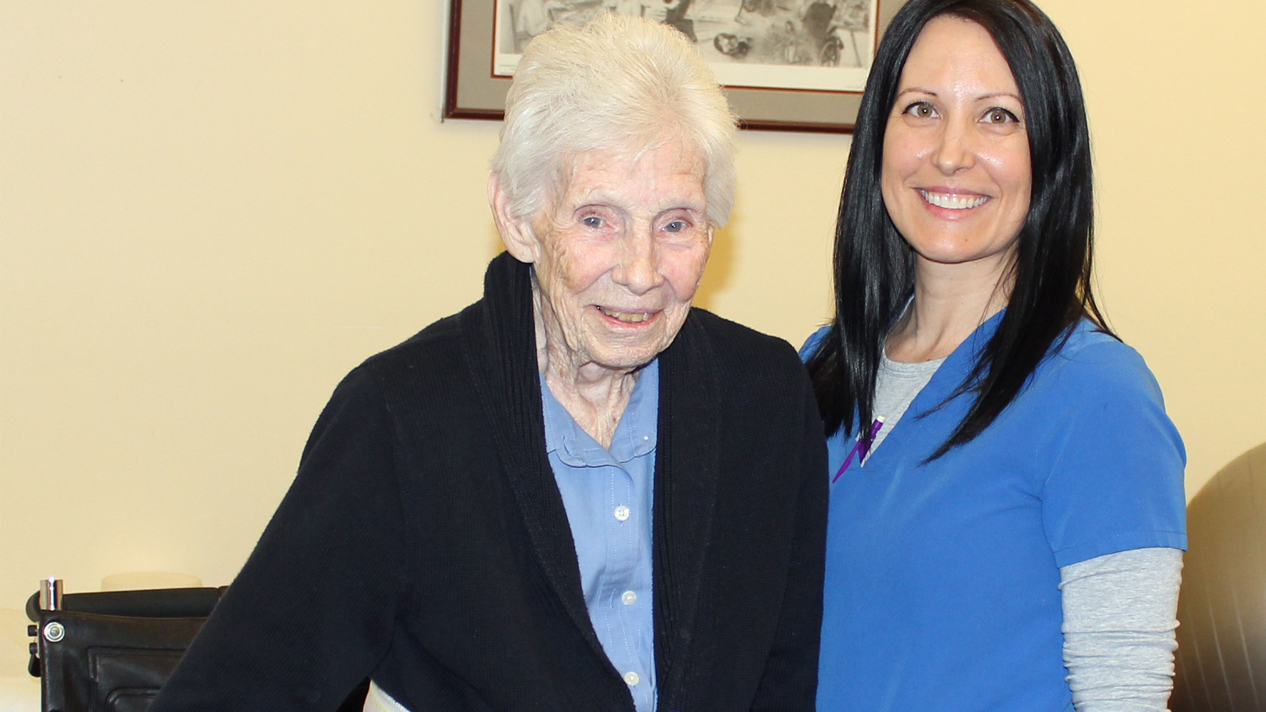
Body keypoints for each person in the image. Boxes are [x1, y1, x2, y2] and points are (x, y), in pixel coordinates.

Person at [149, 13, 827, 712]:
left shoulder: (765, 398)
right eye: (597, 218)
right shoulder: (402, 417)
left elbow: (786, 676)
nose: (641, 270)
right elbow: (239, 690)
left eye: (676, 224)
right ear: (517, 217)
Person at [801, 1, 1186, 710]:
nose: (951, 152)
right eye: (920, 108)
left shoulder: (1097, 393)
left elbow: (1123, 690)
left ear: (1052, 150)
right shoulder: (821, 366)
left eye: (997, 116)